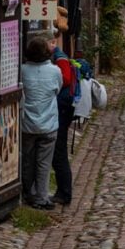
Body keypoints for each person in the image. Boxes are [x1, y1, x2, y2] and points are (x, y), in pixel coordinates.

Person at [20, 35, 63, 210]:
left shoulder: (22, 70)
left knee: (27, 160)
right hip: (48, 123)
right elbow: (57, 90)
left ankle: (26, 193)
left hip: (27, 123)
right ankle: (42, 197)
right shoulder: (55, 71)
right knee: (44, 162)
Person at [49, 32, 77, 205]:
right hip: (62, 108)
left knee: (59, 151)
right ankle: (63, 191)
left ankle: (64, 193)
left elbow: (65, 80)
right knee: (58, 151)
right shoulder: (58, 57)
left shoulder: (60, 59)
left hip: (62, 109)